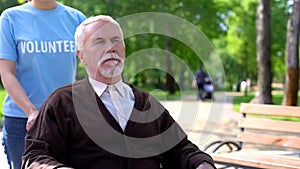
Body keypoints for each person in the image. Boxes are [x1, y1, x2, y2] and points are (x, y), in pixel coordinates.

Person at [22, 15, 216, 169]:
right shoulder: (62, 102)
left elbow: (180, 148)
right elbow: (35, 156)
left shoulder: (146, 102)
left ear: (123, 48)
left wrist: (201, 164)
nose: (110, 48)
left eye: (115, 40)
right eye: (99, 42)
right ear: (81, 55)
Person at [0, 0, 86, 168]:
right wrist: (32, 112)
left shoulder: (76, 19)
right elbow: (6, 72)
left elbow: (93, 63)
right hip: (22, 121)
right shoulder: (10, 18)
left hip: (65, 119)